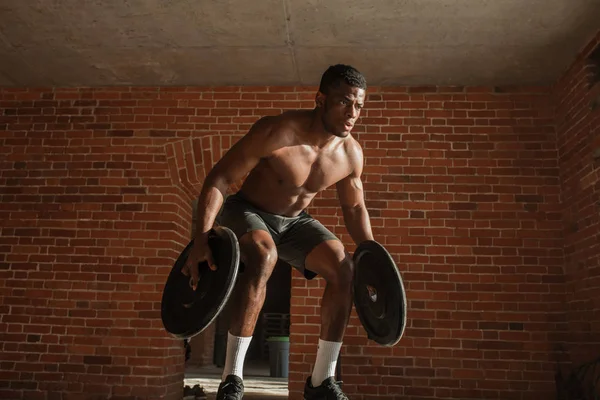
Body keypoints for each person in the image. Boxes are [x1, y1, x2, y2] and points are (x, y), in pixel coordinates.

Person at [183, 64, 374, 400]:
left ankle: (321, 381)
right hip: (247, 210)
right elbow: (220, 179)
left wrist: (371, 255)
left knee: (345, 269)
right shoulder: (277, 132)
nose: (352, 113)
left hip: (295, 221)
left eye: (358, 105)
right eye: (344, 102)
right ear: (320, 99)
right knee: (263, 253)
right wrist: (202, 237)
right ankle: (232, 378)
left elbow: (355, 208)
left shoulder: (350, 154)